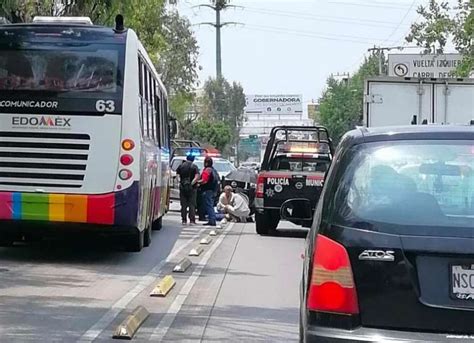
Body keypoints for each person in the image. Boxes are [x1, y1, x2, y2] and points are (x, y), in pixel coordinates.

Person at [176, 155, 200, 225]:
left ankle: (184, 220)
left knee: (183, 205)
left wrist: (180, 182)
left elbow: (177, 175)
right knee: (192, 204)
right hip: (192, 188)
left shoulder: (181, 166)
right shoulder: (194, 166)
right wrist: (192, 183)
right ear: (193, 159)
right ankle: (192, 220)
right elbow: (197, 176)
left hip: (182, 187)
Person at [198, 156, 219, 226]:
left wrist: (197, 182)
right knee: (210, 205)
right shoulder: (214, 170)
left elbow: (204, 180)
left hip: (207, 190)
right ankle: (211, 219)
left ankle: (212, 220)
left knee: (209, 205)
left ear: (206, 163)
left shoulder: (207, 170)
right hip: (213, 190)